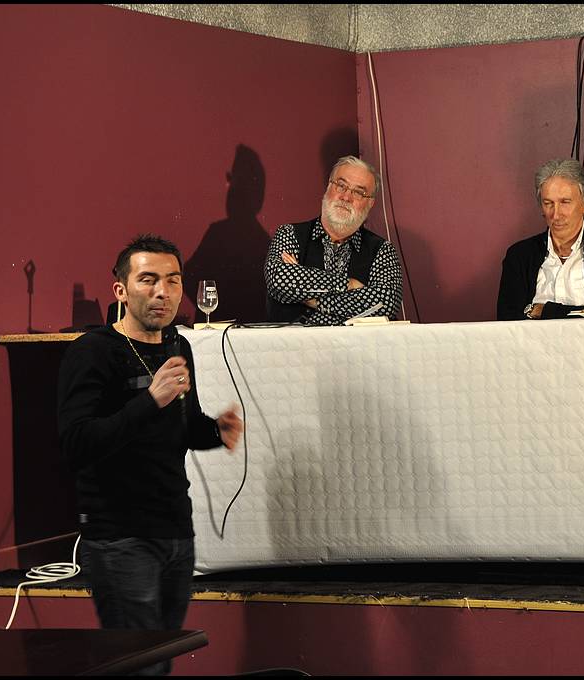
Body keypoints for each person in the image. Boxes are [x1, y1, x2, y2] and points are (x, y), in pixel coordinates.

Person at [58, 234, 243, 675]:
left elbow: (182, 426)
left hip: (175, 530)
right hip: (121, 536)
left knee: (159, 662)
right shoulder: (92, 352)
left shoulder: (177, 345)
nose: (163, 292)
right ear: (121, 290)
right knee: (138, 667)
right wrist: (149, 401)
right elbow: (76, 444)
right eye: (148, 280)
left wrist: (216, 431)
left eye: (173, 280)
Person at [264, 155, 403, 325]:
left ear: (370, 203)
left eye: (359, 192)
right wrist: (349, 284)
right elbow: (280, 280)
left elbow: (386, 302)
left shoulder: (382, 250)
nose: (346, 197)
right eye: (341, 186)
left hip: (356, 342)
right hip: (292, 341)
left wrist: (313, 298)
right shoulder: (289, 233)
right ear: (328, 186)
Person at [497, 158, 584, 320]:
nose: (555, 214)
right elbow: (506, 317)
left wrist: (541, 310)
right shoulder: (519, 255)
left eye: (565, 202)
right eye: (548, 203)